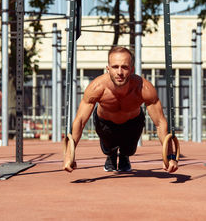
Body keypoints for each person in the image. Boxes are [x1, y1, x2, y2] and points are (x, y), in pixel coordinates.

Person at [63, 46, 178, 174]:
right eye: (115, 67)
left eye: (124, 67)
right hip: (105, 123)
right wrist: (69, 155)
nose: (119, 72)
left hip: (132, 123)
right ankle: (111, 155)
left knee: (129, 151)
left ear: (132, 69)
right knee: (108, 148)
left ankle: (124, 156)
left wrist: (170, 156)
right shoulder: (96, 87)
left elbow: (160, 122)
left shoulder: (144, 88)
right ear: (108, 69)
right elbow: (80, 121)